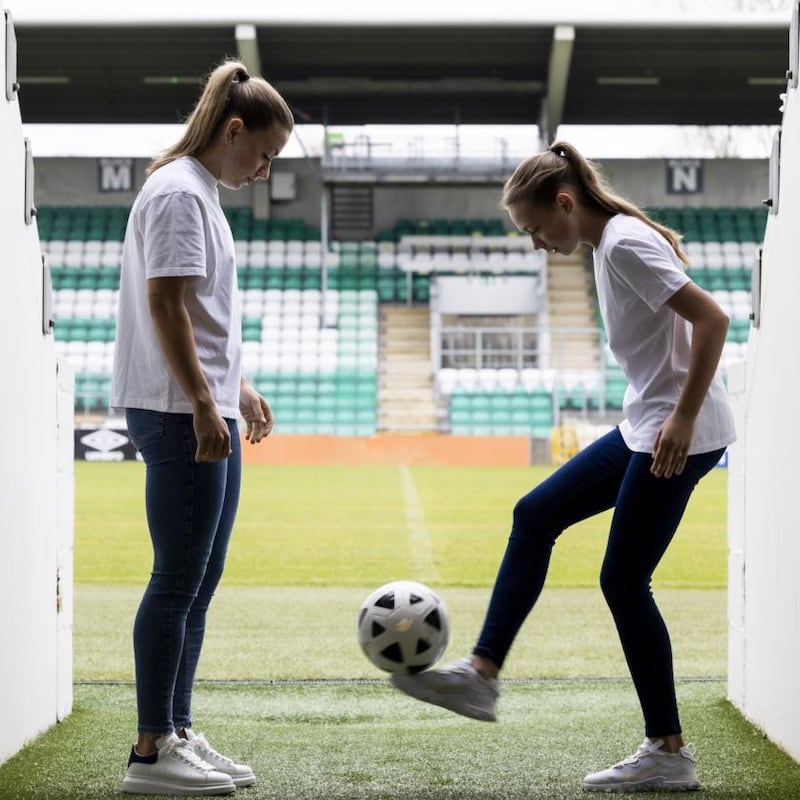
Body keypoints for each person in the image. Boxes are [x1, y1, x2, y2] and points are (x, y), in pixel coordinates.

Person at [391, 141, 736, 793]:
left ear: (566, 203)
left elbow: (713, 320)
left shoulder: (627, 243)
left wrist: (685, 419)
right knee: (537, 513)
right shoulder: (611, 246)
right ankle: (481, 678)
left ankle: (668, 750)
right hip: (647, 421)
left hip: (678, 430)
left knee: (624, 580)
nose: (536, 243)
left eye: (536, 229)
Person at [111, 59, 293, 796]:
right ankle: (151, 752)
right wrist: (197, 399)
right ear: (234, 128)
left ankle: (177, 729)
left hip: (202, 402)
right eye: (264, 154)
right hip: (176, 408)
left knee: (199, 579)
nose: (265, 171)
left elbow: (201, 313)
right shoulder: (179, 193)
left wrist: (233, 387)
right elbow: (165, 305)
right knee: (177, 579)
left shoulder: (200, 193)